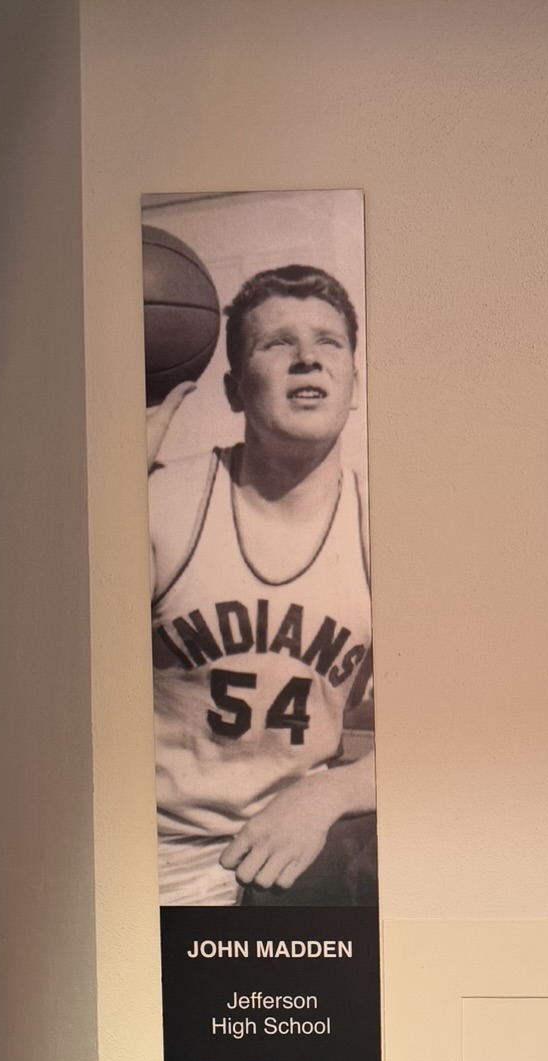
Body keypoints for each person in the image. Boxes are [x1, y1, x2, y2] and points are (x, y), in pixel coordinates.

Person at [147, 263, 375, 905]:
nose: (308, 358)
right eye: (277, 343)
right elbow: (40, 684)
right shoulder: (162, 503)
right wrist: (104, 484)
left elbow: (455, 728)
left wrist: (331, 792)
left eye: (329, 342)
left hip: (293, 850)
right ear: (234, 390)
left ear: (354, 384)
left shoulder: (383, 526)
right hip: (151, 855)